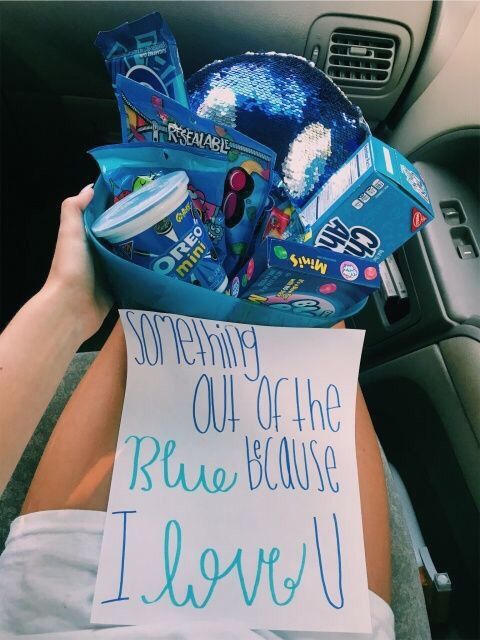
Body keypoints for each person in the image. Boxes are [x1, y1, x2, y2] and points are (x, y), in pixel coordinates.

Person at [0, 186, 393, 639]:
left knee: (174, 302)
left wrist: (69, 303)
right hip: (318, 615)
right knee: (313, 312)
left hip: (74, 609)